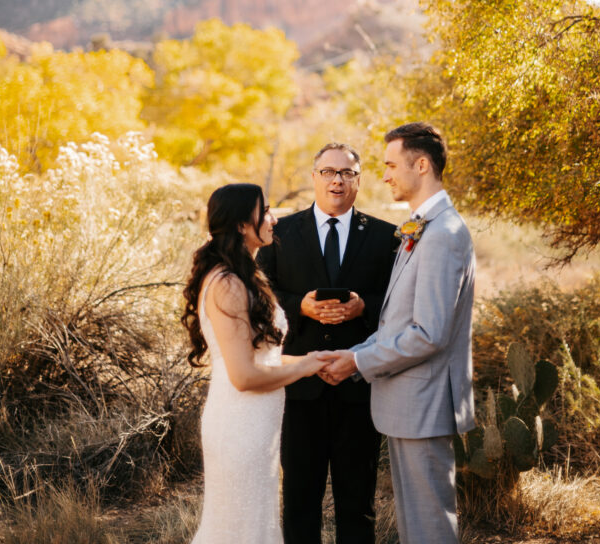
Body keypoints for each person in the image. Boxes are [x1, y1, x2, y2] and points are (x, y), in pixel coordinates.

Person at [320, 123, 476, 544]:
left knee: (429, 527)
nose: (385, 175)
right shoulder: (423, 226)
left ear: (421, 164)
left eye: (391, 165)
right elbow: (398, 322)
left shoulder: (443, 233)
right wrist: (354, 354)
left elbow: (428, 333)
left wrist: (357, 361)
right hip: (409, 403)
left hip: (424, 404)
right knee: (415, 528)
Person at [258, 142, 397, 544]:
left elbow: (395, 301)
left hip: (358, 387)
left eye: (347, 173)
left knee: (358, 502)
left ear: (359, 180)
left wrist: (362, 308)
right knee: (300, 501)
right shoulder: (280, 233)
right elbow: (261, 296)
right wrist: (298, 306)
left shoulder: (385, 236)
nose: (337, 180)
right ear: (313, 178)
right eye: (328, 172)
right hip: (300, 389)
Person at [181, 183, 329, 544]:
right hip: (238, 427)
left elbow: (266, 358)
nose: (273, 219)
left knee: (256, 525)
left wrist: (314, 359)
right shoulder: (227, 284)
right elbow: (245, 376)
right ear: (242, 225)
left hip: (258, 426)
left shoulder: (243, 275)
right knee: (237, 529)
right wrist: (306, 368)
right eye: (265, 211)